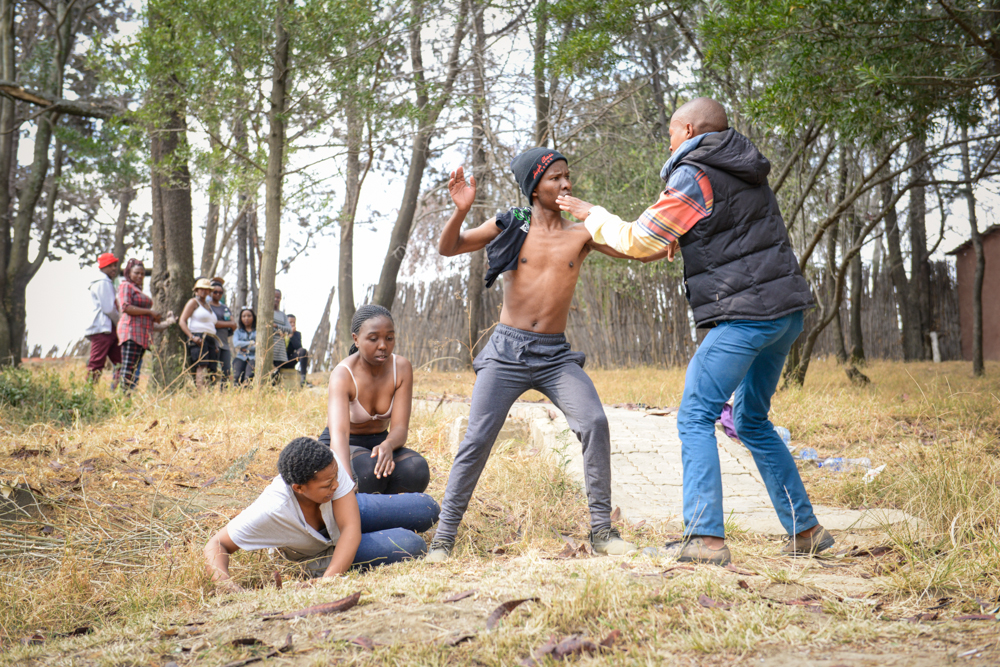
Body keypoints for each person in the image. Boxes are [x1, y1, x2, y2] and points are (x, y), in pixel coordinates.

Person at [557, 97, 832, 565]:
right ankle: (805, 530)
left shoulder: (695, 172)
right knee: (751, 420)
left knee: (694, 417)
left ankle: (705, 538)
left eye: (670, 132)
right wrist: (686, 237)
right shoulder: (743, 166)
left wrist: (593, 215)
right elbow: (731, 230)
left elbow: (639, 239)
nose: (669, 142)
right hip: (785, 313)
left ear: (687, 130)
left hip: (745, 315)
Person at [426, 148, 644, 563]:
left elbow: (636, 248)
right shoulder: (510, 224)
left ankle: (602, 531)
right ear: (533, 187)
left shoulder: (582, 233)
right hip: (506, 352)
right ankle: (444, 537)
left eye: (567, 176)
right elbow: (449, 247)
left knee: (594, 422)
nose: (566, 184)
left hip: (555, 356)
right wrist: (461, 210)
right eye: (555, 178)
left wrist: (673, 235)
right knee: (477, 438)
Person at [203, 437, 440, 587]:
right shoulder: (272, 510)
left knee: (426, 508)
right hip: (316, 553)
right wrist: (224, 584)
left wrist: (329, 580)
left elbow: (350, 528)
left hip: (346, 515)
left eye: (336, 477)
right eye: (327, 484)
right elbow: (216, 544)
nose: (336, 485)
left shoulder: (328, 465)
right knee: (412, 545)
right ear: (299, 488)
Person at [316, 305, 429, 496]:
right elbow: (339, 435)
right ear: (356, 339)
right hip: (341, 444)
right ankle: (358, 505)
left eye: (389, 338)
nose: (383, 345)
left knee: (416, 469)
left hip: (379, 442)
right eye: (373, 338)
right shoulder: (343, 374)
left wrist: (388, 444)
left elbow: (400, 429)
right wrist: (346, 482)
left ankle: (382, 507)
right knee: (368, 473)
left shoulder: (401, 368)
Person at [114, 259, 161, 393]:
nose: (140, 276)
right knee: (128, 368)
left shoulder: (137, 289)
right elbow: (126, 307)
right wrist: (150, 312)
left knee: (134, 369)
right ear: (128, 273)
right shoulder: (126, 286)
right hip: (130, 333)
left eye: (142, 274)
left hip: (141, 335)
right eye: (136, 273)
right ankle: (123, 396)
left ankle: (128, 395)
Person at [84, 252, 122, 382]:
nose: (114, 268)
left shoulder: (106, 281)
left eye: (115, 265)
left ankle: (120, 390)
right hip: (102, 328)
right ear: (102, 267)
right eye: (110, 266)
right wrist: (119, 322)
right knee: (96, 363)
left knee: (121, 362)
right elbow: (108, 308)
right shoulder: (103, 282)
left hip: (109, 328)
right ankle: (88, 391)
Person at [179, 278, 220, 388]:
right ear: (196, 290)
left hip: (211, 338)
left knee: (212, 368)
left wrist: (215, 344)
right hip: (199, 337)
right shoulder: (193, 302)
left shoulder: (208, 305)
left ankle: (209, 393)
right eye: (201, 289)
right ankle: (201, 393)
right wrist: (192, 337)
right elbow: (182, 321)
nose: (204, 291)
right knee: (202, 366)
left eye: (206, 289)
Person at [210, 278, 237, 384]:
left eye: (220, 292)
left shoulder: (225, 307)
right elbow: (213, 323)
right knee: (213, 369)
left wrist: (229, 325)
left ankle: (224, 390)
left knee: (226, 370)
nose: (218, 294)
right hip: (213, 342)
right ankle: (211, 389)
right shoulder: (208, 306)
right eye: (215, 292)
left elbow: (234, 324)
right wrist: (228, 324)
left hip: (225, 343)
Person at [271, 289, 292, 381]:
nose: (276, 299)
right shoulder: (267, 312)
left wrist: (276, 326)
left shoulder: (283, 315)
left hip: (279, 349)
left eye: (278, 297)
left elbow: (289, 329)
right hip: (269, 347)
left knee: (276, 373)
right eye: (274, 297)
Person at [232, 308, 257, 385]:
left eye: (249, 316)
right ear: (241, 318)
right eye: (244, 316)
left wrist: (245, 347)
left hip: (253, 357)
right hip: (240, 356)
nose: (246, 318)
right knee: (237, 376)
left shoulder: (258, 331)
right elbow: (236, 344)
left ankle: (247, 391)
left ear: (253, 317)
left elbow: (258, 346)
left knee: (249, 376)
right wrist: (251, 342)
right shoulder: (238, 332)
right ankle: (237, 392)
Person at [285, 314, 309, 386]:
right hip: (280, 360)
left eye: (294, 322)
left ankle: (303, 379)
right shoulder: (279, 333)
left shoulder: (297, 334)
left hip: (290, 360)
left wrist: (291, 335)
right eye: (290, 322)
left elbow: (299, 347)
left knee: (303, 351)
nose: (292, 324)